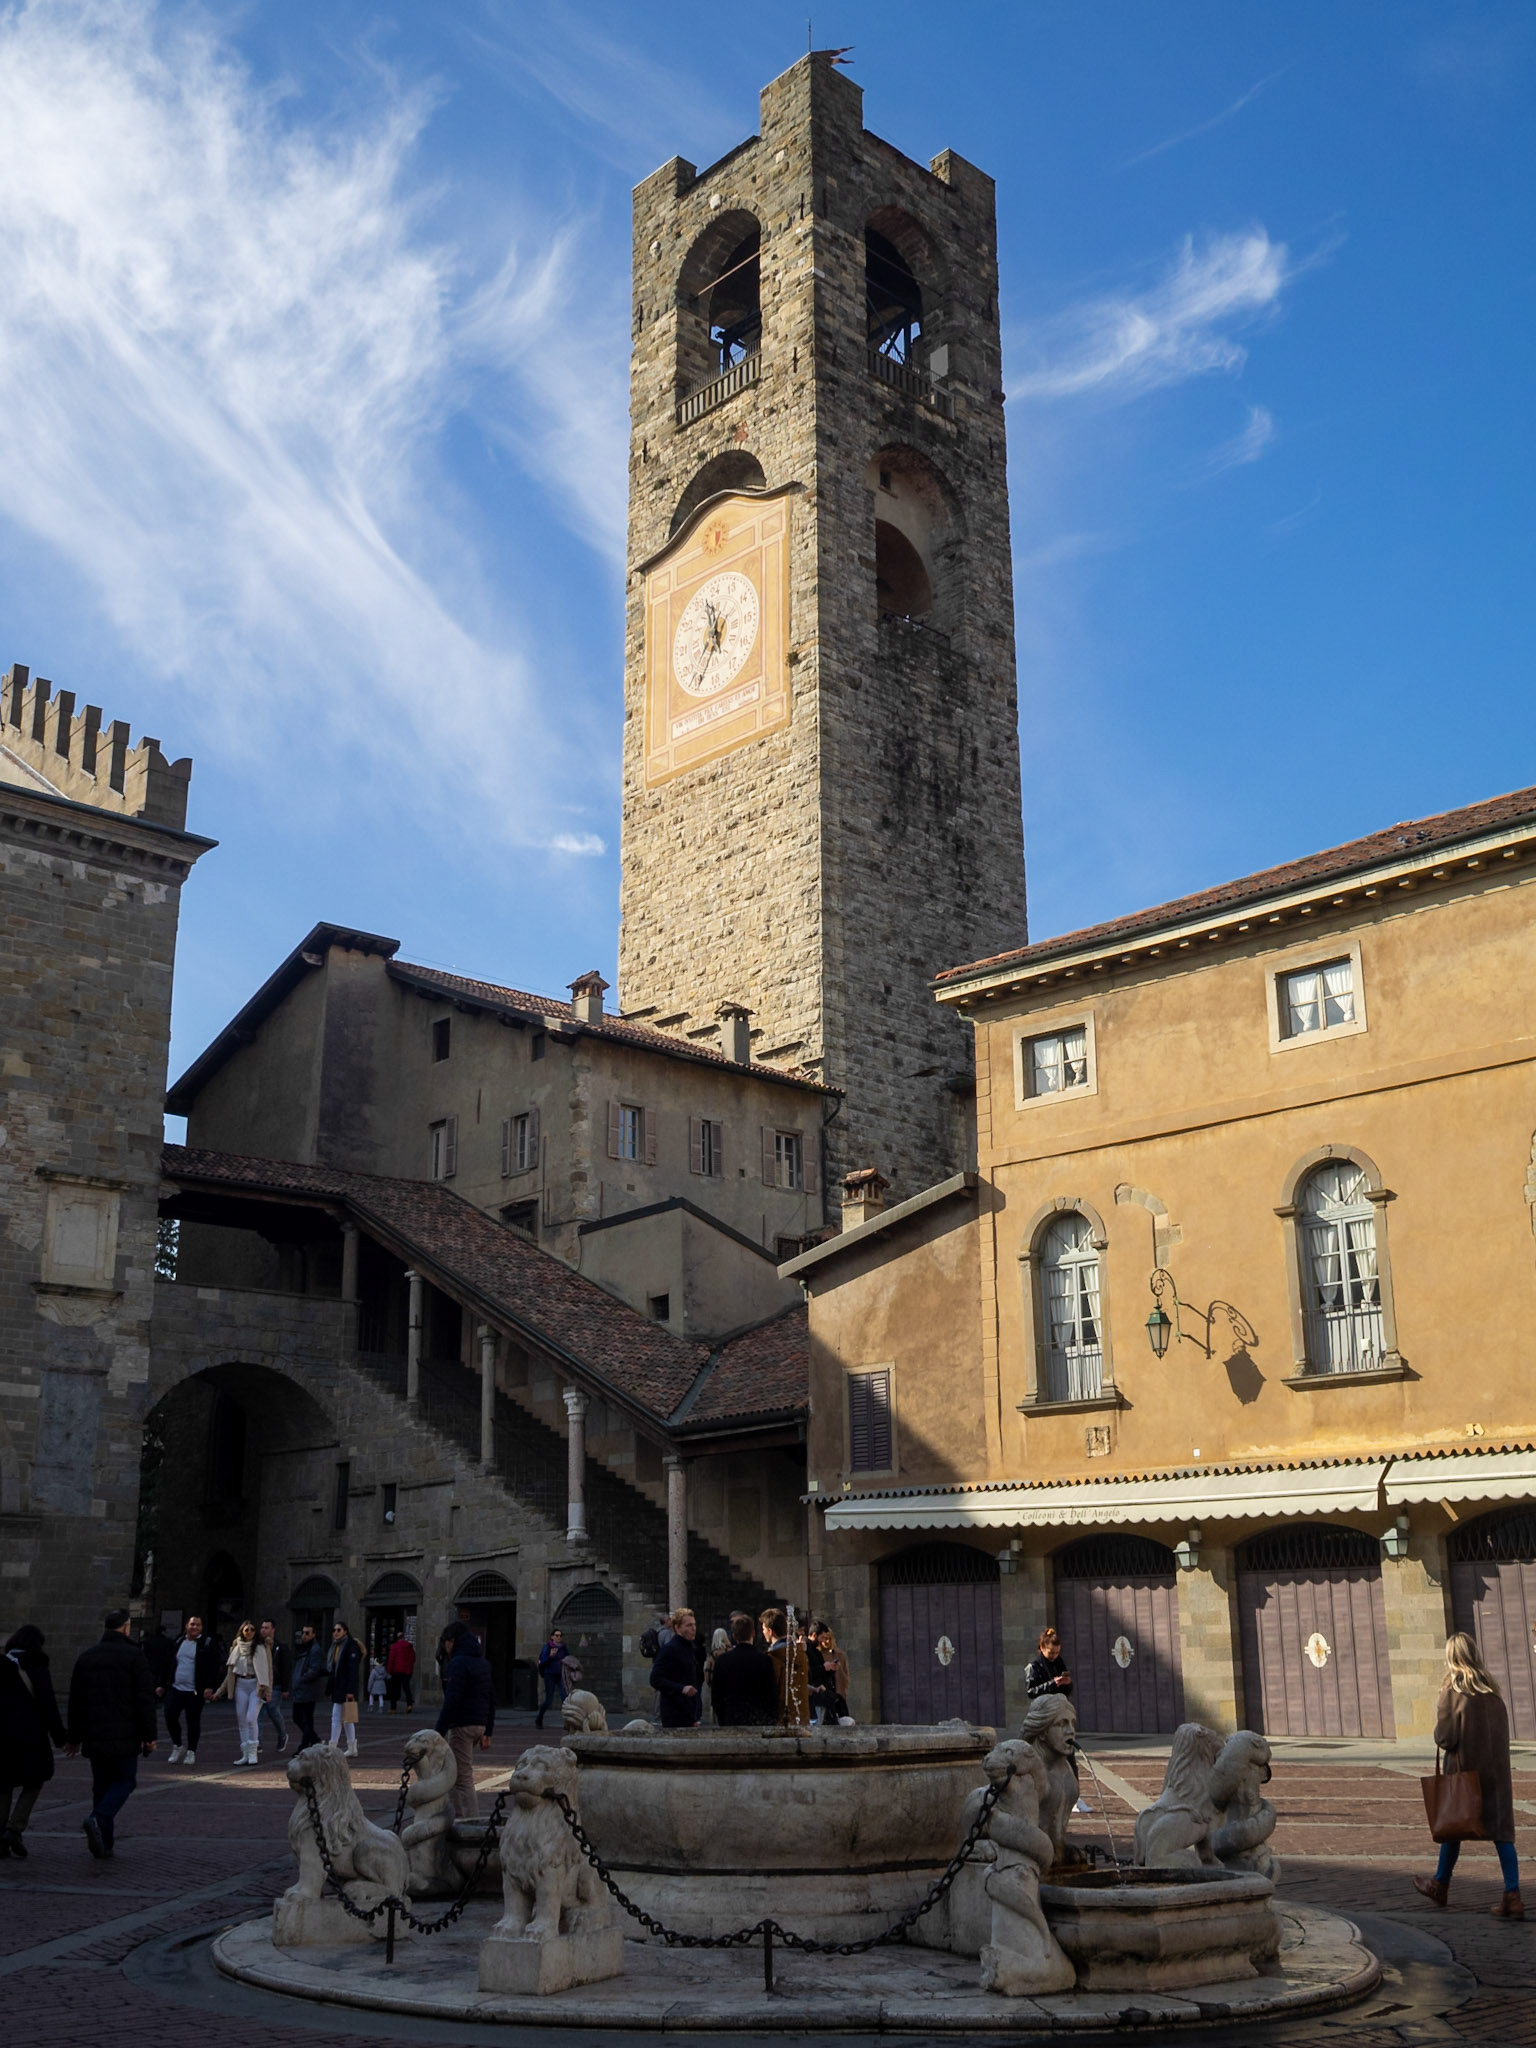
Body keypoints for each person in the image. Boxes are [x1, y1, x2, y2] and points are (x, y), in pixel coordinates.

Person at [1414, 1632, 1521, 1917]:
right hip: (1495, 1778)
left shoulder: (1452, 1693)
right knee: (1503, 1837)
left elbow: (1445, 1738)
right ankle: (1513, 1895)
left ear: (1452, 1658)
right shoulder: (1492, 1692)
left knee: (1453, 1828)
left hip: (1464, 1776)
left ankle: (1440, 1885)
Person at [65, 1608, 157, 1858]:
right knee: (125, 1780)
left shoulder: (87, 1657)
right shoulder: (134, 1656)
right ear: (126, 1627)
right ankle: (99, 1819)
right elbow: (144, 1699)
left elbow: (76, 1702)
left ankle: (105, 1843)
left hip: (94, 1734)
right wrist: (149, 1735)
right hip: (125, 1733)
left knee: (102, 1785)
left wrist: (73, 1738)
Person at [0, 1625, 66, 1857]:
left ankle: (1, 1836)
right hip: (30, 1736)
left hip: (2, 1737)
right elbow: (48, 1703)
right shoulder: (37, 1664)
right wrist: (60, 1738)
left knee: (3, 1784)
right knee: (35, 1780)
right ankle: (14, 1828)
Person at [1025, 1627, 1089, 1812]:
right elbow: (1031, 1691)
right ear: (1042, 1648)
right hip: (1045, 1717)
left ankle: (1075, 1796)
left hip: (1060, 1715)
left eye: (1057, 1652)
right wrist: (1052, 1683)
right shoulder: (1034, 1666)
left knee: (1069, 1755)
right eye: (1051, 1652)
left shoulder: (1059, 1662)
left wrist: (1067, 1684)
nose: (1054, 1656)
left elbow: (1067, 1690)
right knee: (1042, 1757)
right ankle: (1040, 1794)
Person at [436, 1622, 495, 1816]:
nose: (445, 1646)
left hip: (463, 1724)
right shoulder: (481, 1661)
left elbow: (452, 1699)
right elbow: (491, 1696)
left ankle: (470, 1822)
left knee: (462, 1778)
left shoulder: (459, 1662)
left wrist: (439, 1731)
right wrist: (488, 1730)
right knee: (458, 1774)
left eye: (445, 1642)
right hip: (478, 1722)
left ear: (452, 1641)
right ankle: (459, 1816)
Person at [159, 1614, 220, 1765]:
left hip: (195, 1690)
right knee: (170, 1715)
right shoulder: (179, 1641)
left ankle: (191, 1751)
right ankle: (177, 1745)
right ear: (187, 1625)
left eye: (198, 1625)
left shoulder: (207, 1643)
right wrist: (162, 1684)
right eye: (192, 1624)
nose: (195, 1627)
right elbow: (168, 1664)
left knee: (192, 1721)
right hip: (176, 1687)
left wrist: (209, 1686)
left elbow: (214, 1666)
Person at [212, 1620, 271, 1767]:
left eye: (252, 1629)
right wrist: (219, 1692)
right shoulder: (236, 1647)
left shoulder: (262, 1647)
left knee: (251, 1717)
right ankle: (245, 1753)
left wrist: (268, 1691)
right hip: (240, 1684)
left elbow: (268, 1670)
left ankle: (253, 1752)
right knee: (242, 1720)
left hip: (256, 1685)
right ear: (242, 1632)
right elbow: (230, 1674)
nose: (249, 1632)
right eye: (246, 1630)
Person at [708, 1615, 779, 1727]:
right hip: (758, 1720)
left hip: (731, 1719)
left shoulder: (722, 1661)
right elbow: (771, 1695)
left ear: (734, 1636)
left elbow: (716, 1696)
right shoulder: (764, 1661)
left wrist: (723, 1719)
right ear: (753, 1633)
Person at [649, 1607, 704, 1728]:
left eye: (694, 1624)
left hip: (688, 1713)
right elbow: (655, 1679)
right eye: (689, 1625)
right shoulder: (669, 1649)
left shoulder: (690, 1647)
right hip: (674, 1714)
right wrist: (681, 1688)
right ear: (677, 1628)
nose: (693, 1628)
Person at [760, 1608, 810, 1725]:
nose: (763, 1632)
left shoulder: (774, 1657)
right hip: (801, 1716)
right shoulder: (800, 1654)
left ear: (771, 1631)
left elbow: (771, 1689)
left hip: (782, 1718)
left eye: (763, 1629)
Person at [327, 1619, 363, 1757]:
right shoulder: (336, 1646)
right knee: (346, 1718)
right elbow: (333, 1667)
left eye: (338, 1630)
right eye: (334, 1630)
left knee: (337, 1717)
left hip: (345, 1687)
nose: (335, 1633)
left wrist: (350, 1690)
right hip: (338, 1685)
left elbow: (352, 1670)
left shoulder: (350, 1645)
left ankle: (333, 1746)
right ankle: (352, 1746)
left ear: (345, 1631)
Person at [256, 1620, 292, 1754]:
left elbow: (286, 1668)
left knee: (272, 1710)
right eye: (262, 1627)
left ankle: (282, 1734)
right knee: (258, 1713)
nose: (263, 1630)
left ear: (273, 1629)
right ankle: (257, 1741)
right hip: (260, 1684)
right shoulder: (258, 1646)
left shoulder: (280, 1647)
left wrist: (285, 1688)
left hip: (275, 1684)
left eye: (266, 1627)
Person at [289, 1624, 325, 1751]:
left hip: (308, 1690)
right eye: (303, 1633)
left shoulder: (315, 1650)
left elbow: (315, 1669)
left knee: (306, 1718)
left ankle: (305, 1745)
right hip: (300, 1689)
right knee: (297, 1717)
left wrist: (301, 1679)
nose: (304, 1636)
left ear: (313, 1634)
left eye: (307, 1633)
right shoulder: (303, 1648)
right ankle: (314, 1739)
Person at [812, 1623, 855, 1726]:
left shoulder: (840, 1655)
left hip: (838, 1692)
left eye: (829, 1638)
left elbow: (845, 1674)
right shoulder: (817, 1654)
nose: (826, 1641)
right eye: (824, 1638)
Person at [534, 1628, 567, 1728]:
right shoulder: (547, 1647)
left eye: (560, 1635)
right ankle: (539, 1719)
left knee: (565, 1699)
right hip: (550, 1676)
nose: (558, 1637)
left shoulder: (563, 1648)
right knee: (549, 1700)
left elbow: (568, 1658)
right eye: (556, 1635)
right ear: (552, 1637)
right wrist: (551, 1656)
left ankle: (568, 1723)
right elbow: (543, 1661)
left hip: (560, 1675)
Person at [385, 1632, 416, 1713]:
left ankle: (393, 1708)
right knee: (407, 1689)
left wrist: (389, 1670)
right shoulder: (409, 1646)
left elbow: (391, 1659)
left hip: (396, 1671)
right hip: (407, 1671)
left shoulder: (394, 1646)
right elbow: (413, 1658)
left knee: (394, 1690)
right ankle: (409, 1705)